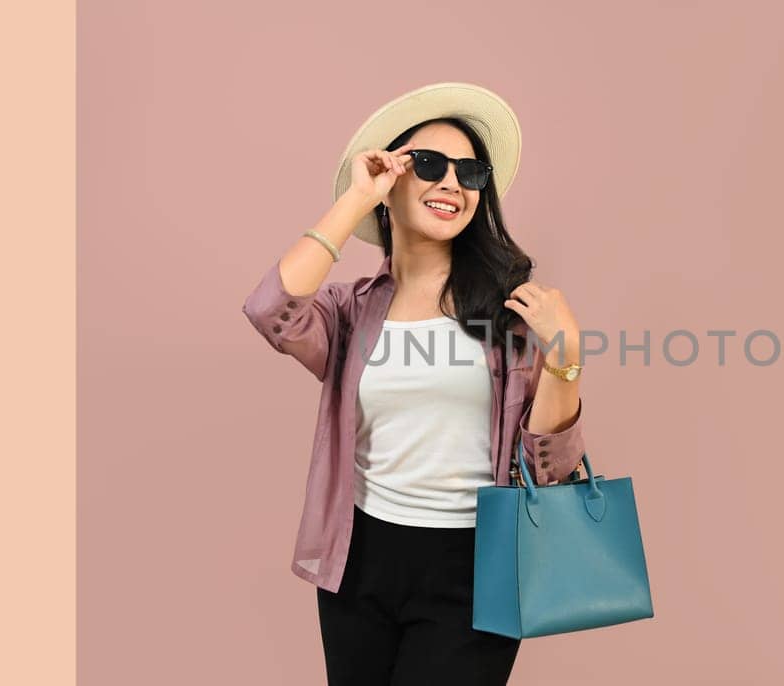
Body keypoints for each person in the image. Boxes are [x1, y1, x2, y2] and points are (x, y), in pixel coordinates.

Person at [241, 82, 587, 685]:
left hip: (476, 568)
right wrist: (356, 198)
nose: (452, 183)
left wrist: (566, 358)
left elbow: (550, 470)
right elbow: (272, 309)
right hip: (359, 557)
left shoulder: (509, 308)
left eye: (470, 171)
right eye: (427, 164)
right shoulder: (349, 311)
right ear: (391, 177)